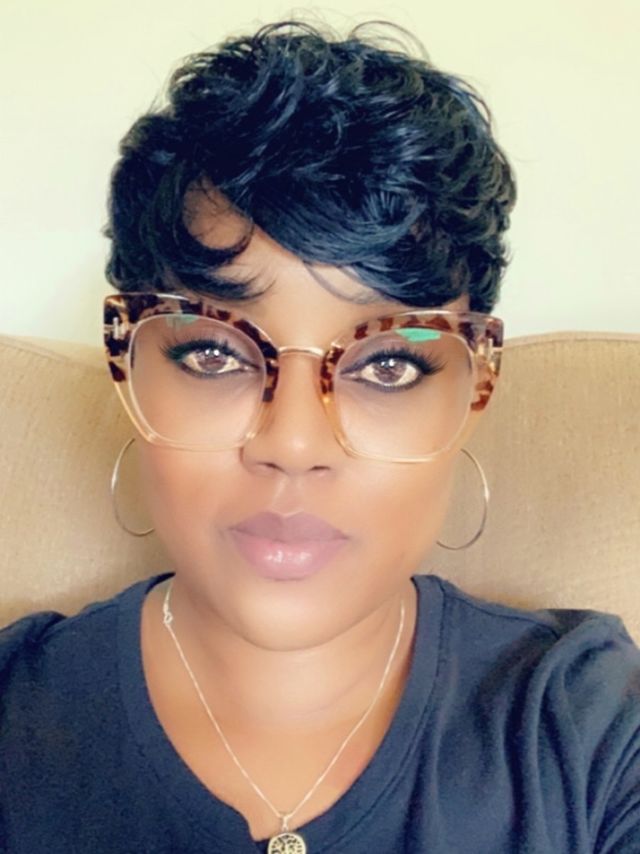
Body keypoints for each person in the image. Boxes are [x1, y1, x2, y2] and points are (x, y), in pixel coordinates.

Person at [0, 19, 638, 854]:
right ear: (127, 360)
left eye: (388, 365)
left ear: (476, 384)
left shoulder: (589, 729)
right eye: (213, 353)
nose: (293, 444)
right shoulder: (18, 716)